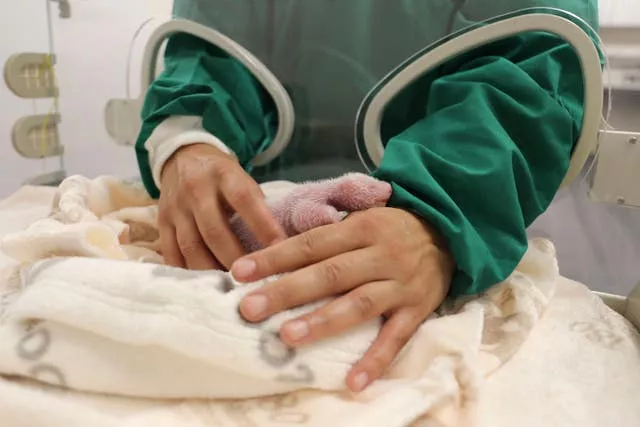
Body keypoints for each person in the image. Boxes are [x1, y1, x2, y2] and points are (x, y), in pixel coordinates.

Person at [135, 0, 599, 392]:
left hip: (449, 226)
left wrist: (436, 216)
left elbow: (535, 68)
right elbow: (209, 48)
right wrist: (188, 141)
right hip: (253, 213)